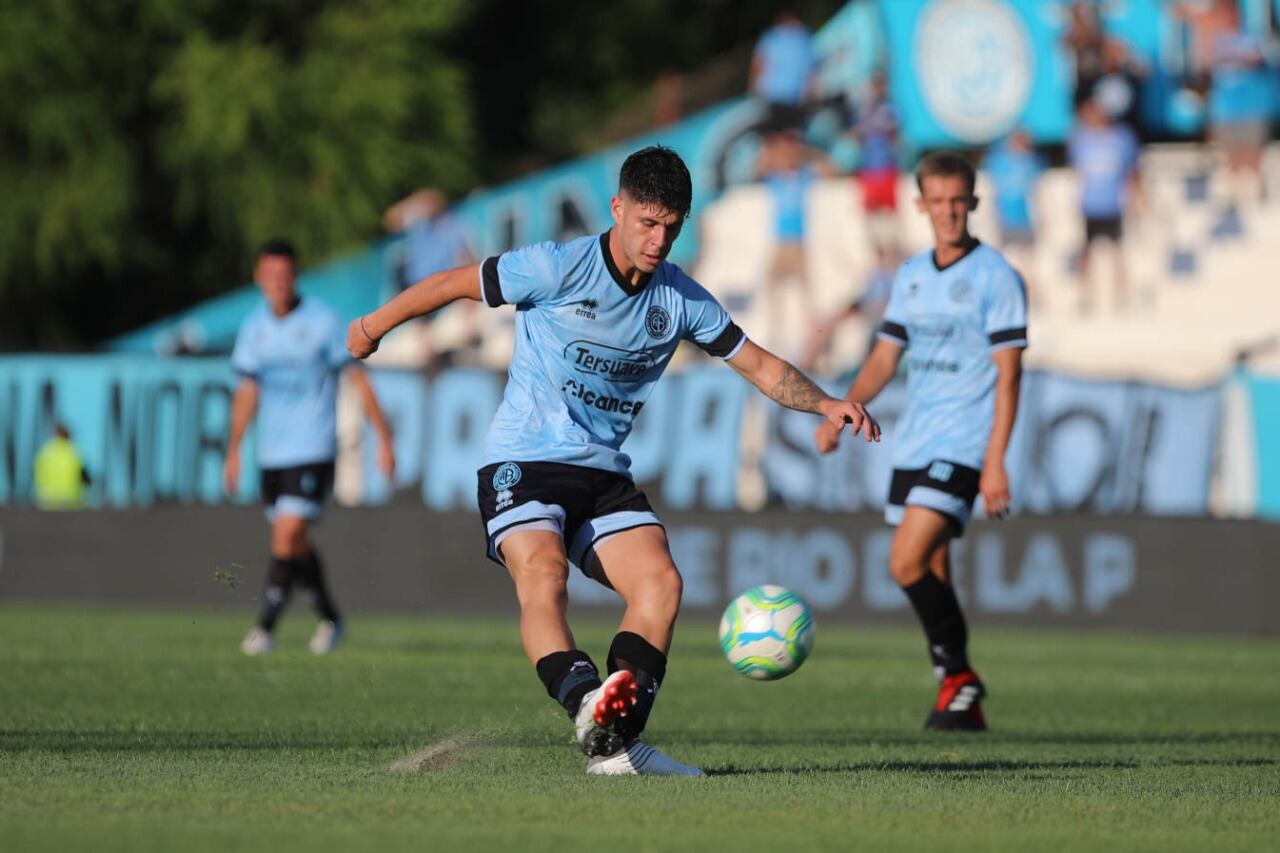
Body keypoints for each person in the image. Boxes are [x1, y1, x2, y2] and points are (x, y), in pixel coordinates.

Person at [347, 146, 879, 775]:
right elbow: (450, 284)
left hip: (602, 472)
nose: (658, 241)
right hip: (525, 460)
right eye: (647, 223)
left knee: (661, 584)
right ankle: (585, 704)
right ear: (617, 208)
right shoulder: (557, 267)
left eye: (672, 228)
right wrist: (372, 326)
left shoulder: (682, 299)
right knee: (544, 575)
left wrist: (824, 402)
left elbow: (758, 364)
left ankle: (615, 746)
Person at [815, 153, 1027, 732]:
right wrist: (842, 411)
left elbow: (1009, 374)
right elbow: (886, 356)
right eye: (938, 201)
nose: (949, 212)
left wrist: (995, 463)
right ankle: (960, 701)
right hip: (914, 442)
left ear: (974, 204)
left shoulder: (997, 278)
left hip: (963, 443)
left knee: (904, 561)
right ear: (921, 205)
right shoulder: (910, 274)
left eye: (959, 201)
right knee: (934, 566)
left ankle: (960, 675)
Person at [224, 239, 396, 657]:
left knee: (286, 532)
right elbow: (247, 391)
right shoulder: (253, 329)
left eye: (286, 275)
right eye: (271, 276)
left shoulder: (321, 321)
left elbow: (357, 378)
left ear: (295, 277)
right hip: (273, 453)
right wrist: (234, 449)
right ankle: (330, 618)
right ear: (259, 279)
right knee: (292, 543)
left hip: (314, 447)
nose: (279, 284)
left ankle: (264, 628)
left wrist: (383, 437)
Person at [1068, 98, 1140, 312]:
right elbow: (1078, 172)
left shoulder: (1122, 138)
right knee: (1086, 252)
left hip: (1113, 205)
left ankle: (1122, 295)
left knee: (1118, 251)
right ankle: (1084, 295)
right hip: (1090, 205)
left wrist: (1137, 201)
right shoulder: (1081, 140)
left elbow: (1132, 173)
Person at [751, 10, 816, 141]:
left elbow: (759, 63)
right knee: (789, 133)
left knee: (782, 134)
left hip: (781, 94)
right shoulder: (802, 37)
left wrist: (754, 86)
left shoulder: (773, 37)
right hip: (785, 95)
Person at [33, 423, 90, 509]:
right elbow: (85, 479)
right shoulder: (74, 453)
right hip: (71, 501)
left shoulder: (44, 452)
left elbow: (35, 474)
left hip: (46, 501)